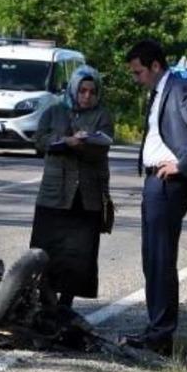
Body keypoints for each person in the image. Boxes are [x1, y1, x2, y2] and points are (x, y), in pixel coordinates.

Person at [121, 39, 187, 356]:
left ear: (155, 66)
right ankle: (156, 330)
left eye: (138, 72)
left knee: (160, 259)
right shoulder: (161, 91)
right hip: (156, 182)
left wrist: (182, 163)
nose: (136, 79)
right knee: (152, 258)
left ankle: (161, 336)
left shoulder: (178, 90)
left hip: (169, 184)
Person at [29, 65, 113, 308]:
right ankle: (45, 301)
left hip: (86, 197)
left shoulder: (102, 116)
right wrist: (65, 141)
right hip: (54, 194)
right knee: (47, 249)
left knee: (79, 254)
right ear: (74, 89)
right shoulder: (54, 111)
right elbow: (39, 140)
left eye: (92, 92)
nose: (87, 96)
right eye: (82, 91)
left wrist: (85, 144)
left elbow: (103, 148)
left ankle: (66, 304)